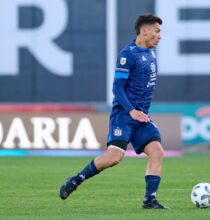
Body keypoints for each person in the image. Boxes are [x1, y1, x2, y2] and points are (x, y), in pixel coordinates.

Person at [59, 13, 168, 209]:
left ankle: (149, 200)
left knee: (157, 152)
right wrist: (131, 110)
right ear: (144, 31)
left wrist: (139, 111)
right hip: (124, 116)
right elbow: (117, 88)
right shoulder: (128, 55)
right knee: (114, 158)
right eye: (157, 31)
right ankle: (75, 180)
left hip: (141, 117)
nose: (160, 36)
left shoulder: (150, 53)